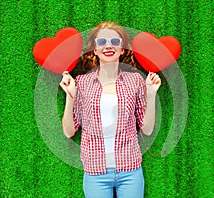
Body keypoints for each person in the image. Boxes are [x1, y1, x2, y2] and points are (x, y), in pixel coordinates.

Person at [59, 21, 161, 198]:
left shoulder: (135, 81)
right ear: (95, 49)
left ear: (122, 49)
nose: (108, 46)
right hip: (95, 172)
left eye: (115, 41)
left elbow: (147, 129)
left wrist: (151, 93)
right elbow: (69, 131)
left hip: (130, 171)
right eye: (102, 42)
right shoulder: (82, 83)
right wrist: (70, 95)